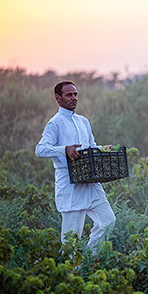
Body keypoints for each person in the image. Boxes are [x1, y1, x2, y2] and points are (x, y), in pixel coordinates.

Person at [36, 81, 116, 251]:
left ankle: (89, 260)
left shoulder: (83, 121)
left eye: (75, 94)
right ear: (58, 98)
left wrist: (102, 149)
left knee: (108, 221)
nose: (74, 98)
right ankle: (70, 274)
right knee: (71, 239)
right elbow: (40, 149)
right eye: (69, 95)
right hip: (70, 184)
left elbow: (91, 146)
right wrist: (64, 149)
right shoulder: (54, 123)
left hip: (90, 180)